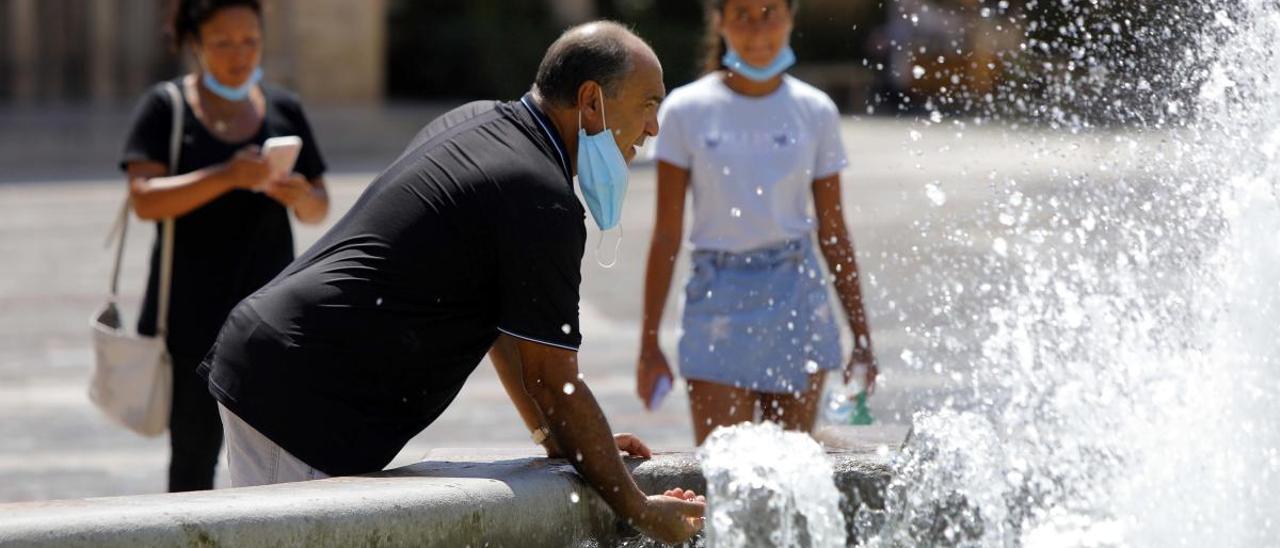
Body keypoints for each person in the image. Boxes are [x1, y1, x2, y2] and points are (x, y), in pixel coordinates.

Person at [198, 21, 704, 544]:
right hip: (301, 389)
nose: (653, 129)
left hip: (283, 357)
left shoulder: (480, 120)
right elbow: (554, 380)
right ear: (592, 102)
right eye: (648, 104)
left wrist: (559, 438)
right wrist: (640, 510)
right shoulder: (539, 197)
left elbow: (513, 331)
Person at [635, 0, 877, 445]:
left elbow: (834, 230)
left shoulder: (815, 110)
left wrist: (862, 336)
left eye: (770, 12)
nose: (757, 27)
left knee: (793, 471)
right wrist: (649, 344)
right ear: (720, 21)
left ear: (790, 18)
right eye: (742, 14)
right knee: (727, 468)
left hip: (797, 294)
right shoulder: (686, 110)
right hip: (717, 295)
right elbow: (666, 234)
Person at [119, 0, 329, 492]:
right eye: (223, 43)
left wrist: (300, 195)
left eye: (250, 41)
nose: (240, 55)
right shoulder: (164, 108)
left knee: (275, 460)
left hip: (270, 318)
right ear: (195, 44)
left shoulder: (283, 108)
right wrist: (227, 176)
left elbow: (319, 205)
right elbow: (144, 200)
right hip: (190, 319)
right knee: (192, 461)